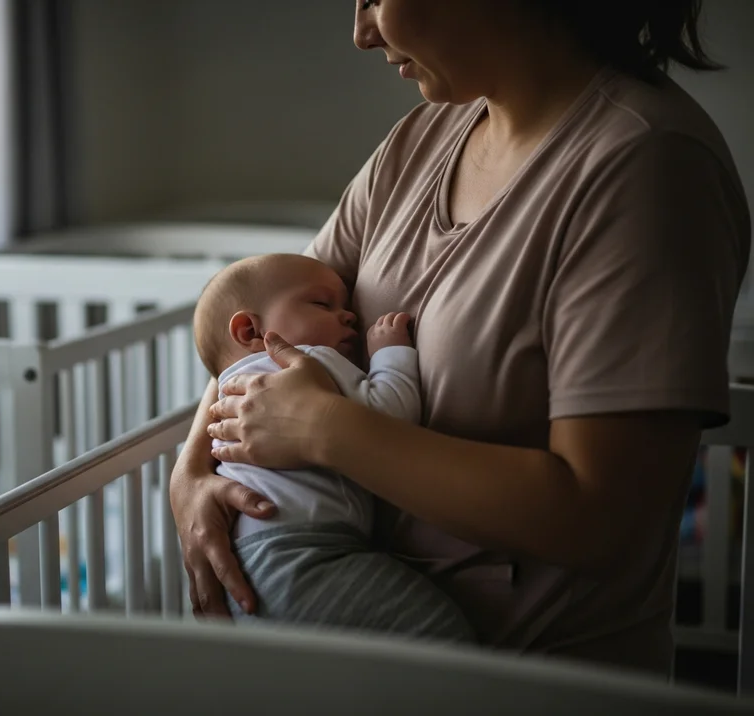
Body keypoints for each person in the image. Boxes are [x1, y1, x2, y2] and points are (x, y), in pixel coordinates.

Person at [170, 0, 751, 677]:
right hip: (355, 661)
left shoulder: (645, 165)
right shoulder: (421, 140)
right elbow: (258, 335)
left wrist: (329, 430)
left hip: (533, 680)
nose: (360, 34)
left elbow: (598, 518)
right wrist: (188, 476)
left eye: (374, 0)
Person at [194, 253, 473, 642]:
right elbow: (390, 417)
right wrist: (390, 355)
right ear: (249, 331)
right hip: (305, 554)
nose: (350, 317)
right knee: (439, 633)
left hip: (244, 558)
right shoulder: (308, 359)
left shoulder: (229, 390)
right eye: (323, 304)